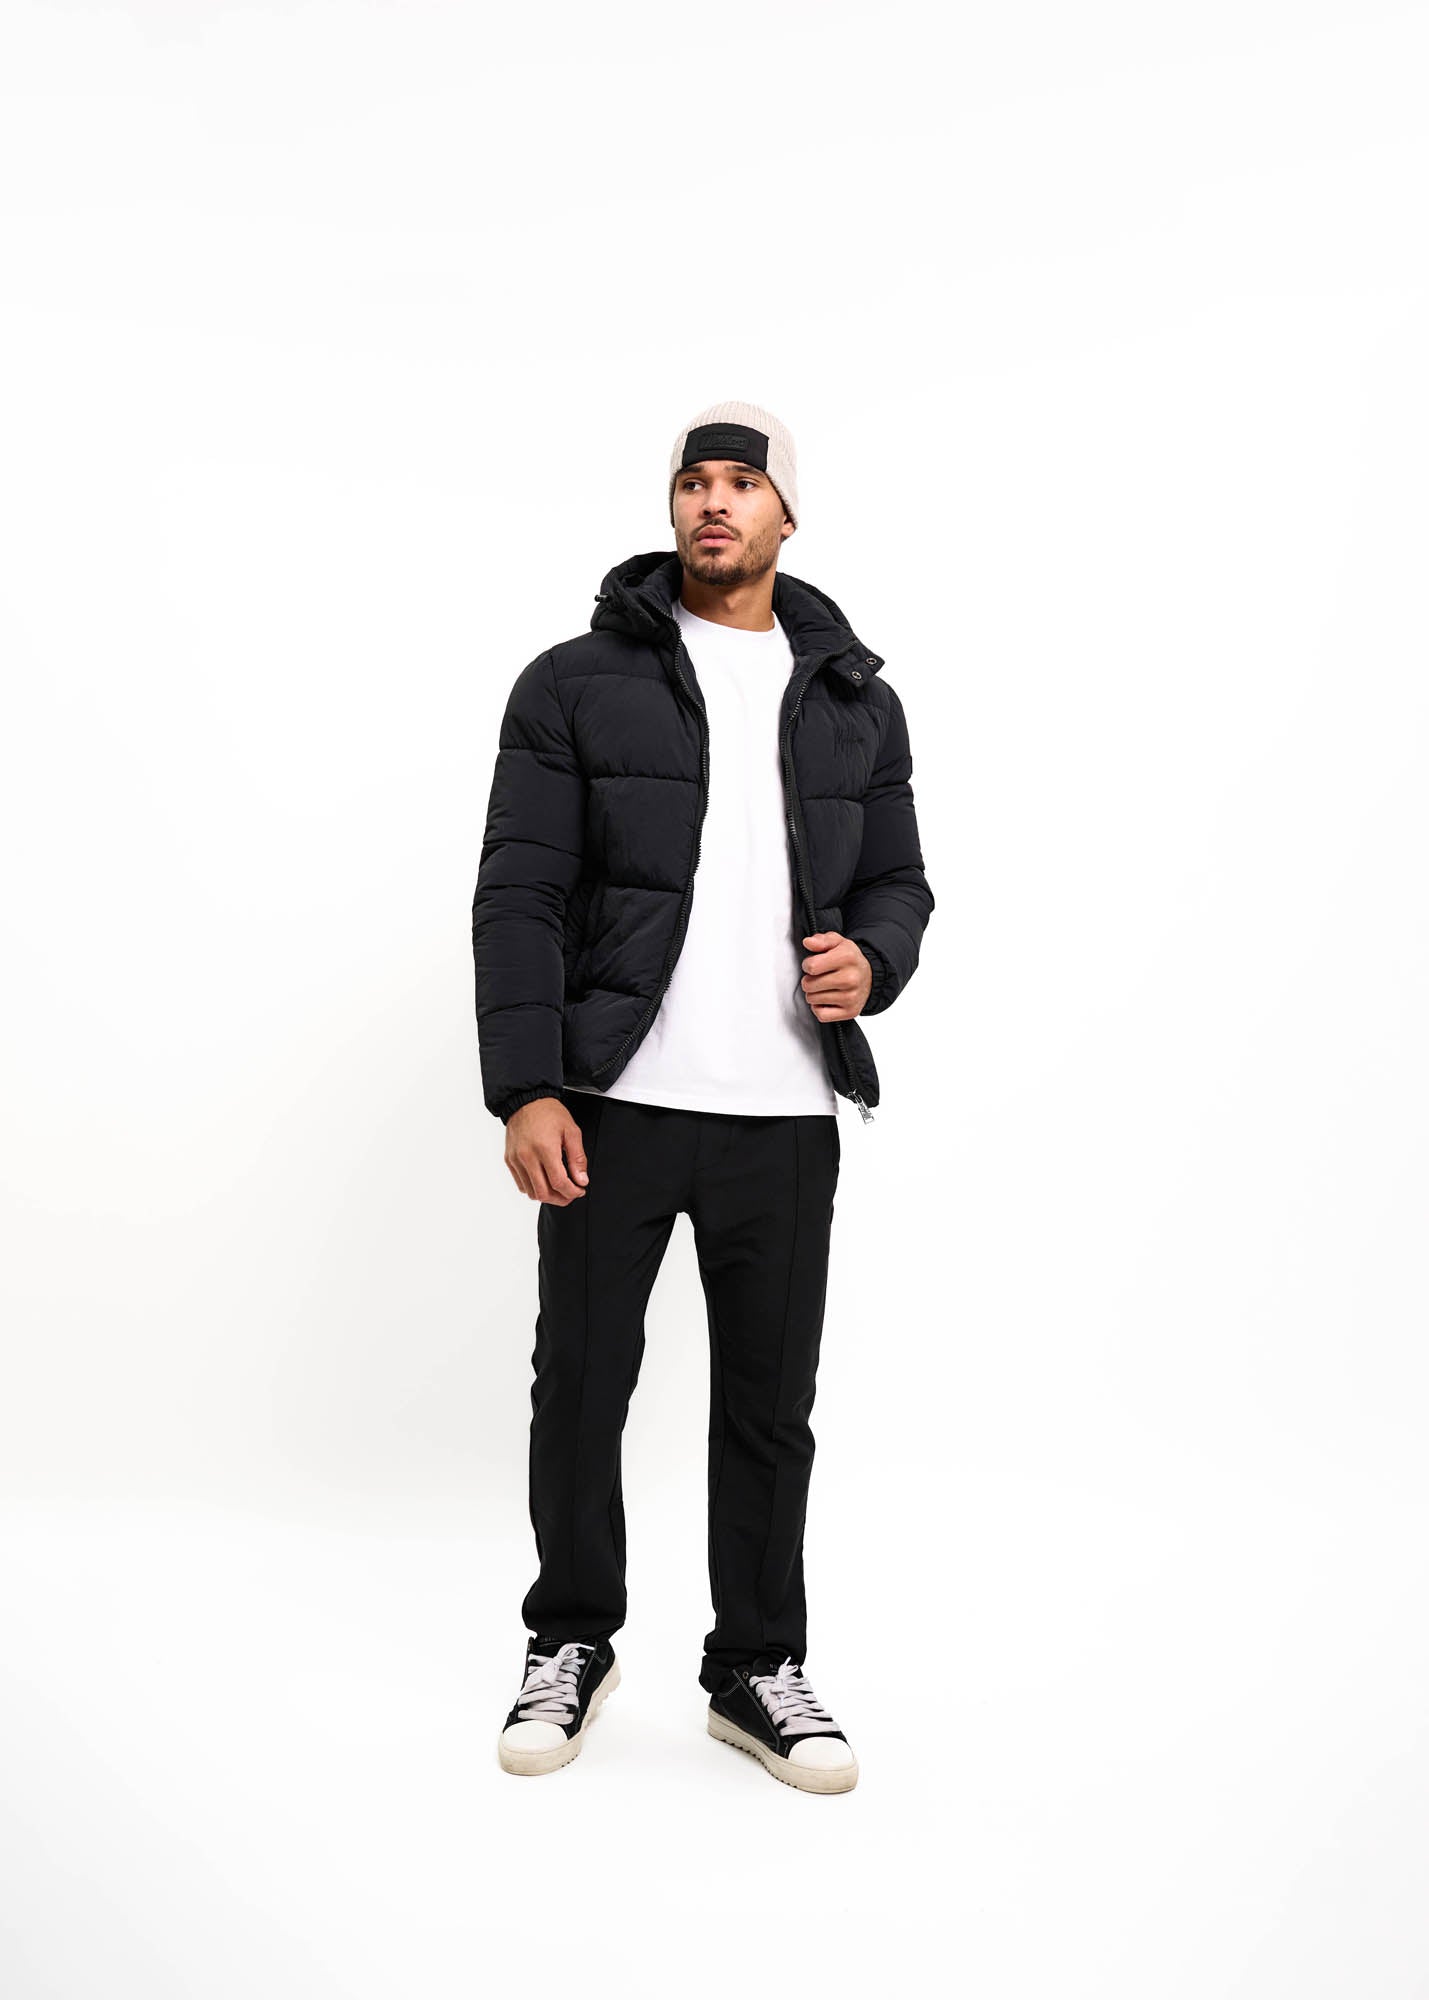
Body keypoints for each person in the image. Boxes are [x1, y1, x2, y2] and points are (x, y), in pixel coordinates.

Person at [472, 400, 934, 1792]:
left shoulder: (854, 696)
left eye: (743, 481)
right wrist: (527, 1087)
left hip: (784, 1114)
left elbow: (898, 882)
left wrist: (875, 959)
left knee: (768, 1408)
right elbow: (520, 892)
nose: (713, 502)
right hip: (615, 1100)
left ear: (789, 512)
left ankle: (755, 1667)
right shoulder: (573, 681)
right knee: (581, 1386)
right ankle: (570, 1639)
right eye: (693, 481)